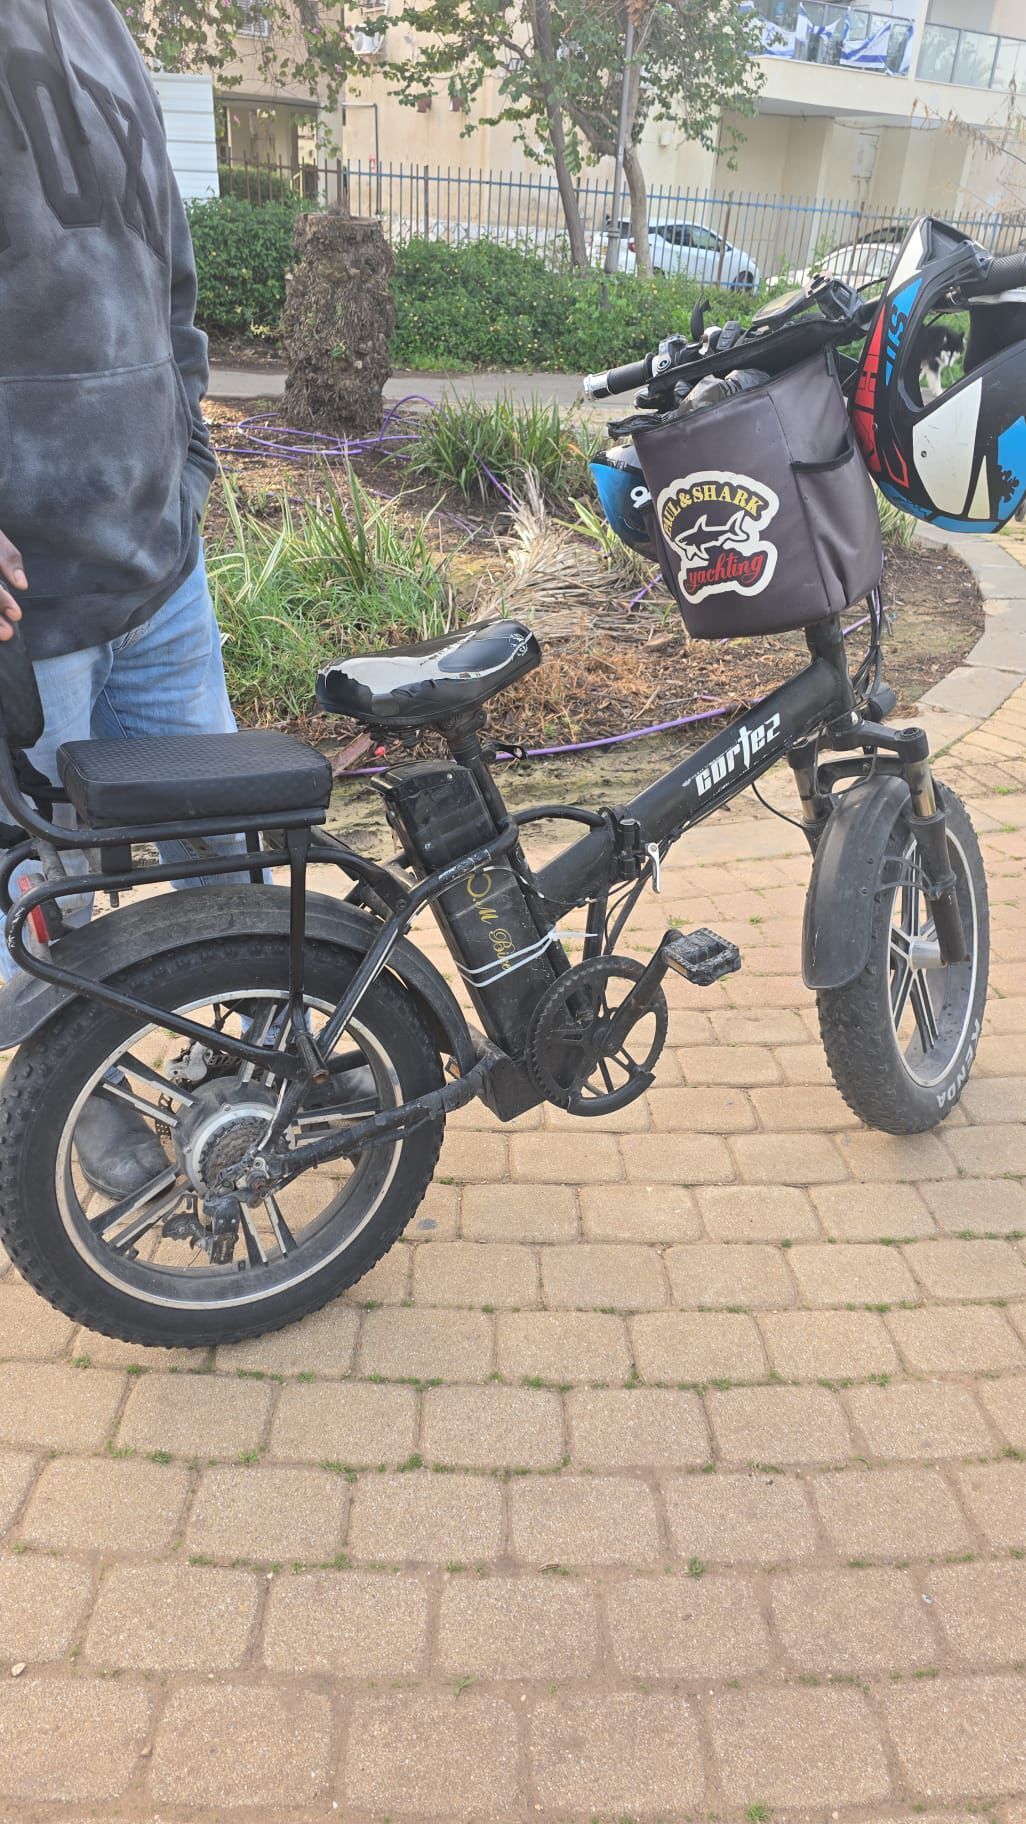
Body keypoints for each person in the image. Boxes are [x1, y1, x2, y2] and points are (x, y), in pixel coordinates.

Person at [0, 0, 239, 1198]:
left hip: (160, 571)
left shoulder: (99, 21)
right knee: (44, 899)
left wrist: (187, 457)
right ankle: (71, 1097)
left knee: (227, 854)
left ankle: (258, 1052)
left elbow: (166, 267)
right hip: (23, 617)